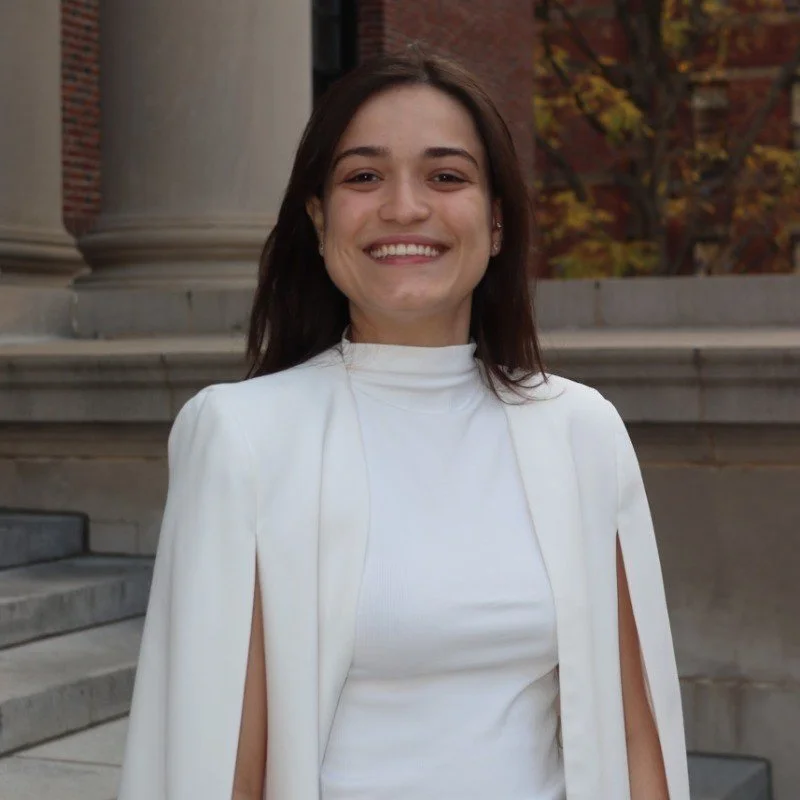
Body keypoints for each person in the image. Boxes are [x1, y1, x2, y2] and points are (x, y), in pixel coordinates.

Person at [117, 48, 690, 800]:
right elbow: (222, 765)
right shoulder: (242, 437)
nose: (404, 207)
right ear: (319, 220)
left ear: (496, 222)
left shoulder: (581, 431)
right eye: (364, 177)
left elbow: (637, 742)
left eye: (445, 176)